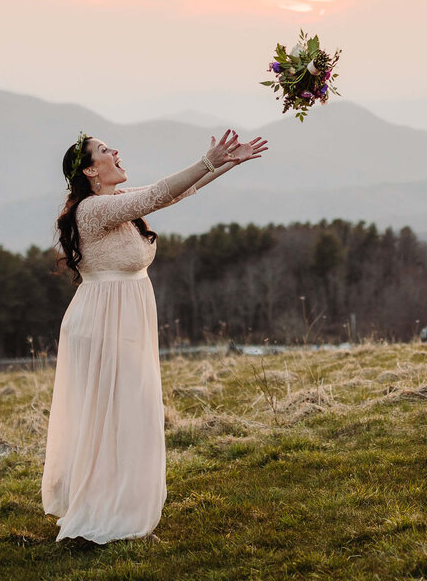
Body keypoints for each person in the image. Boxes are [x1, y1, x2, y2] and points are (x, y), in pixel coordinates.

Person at [42, 129, 268, 542]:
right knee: (122, 417)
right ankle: (111, 514)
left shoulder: (111, 205)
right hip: (102, 323)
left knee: (129, 415)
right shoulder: (93, 210)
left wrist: (226, 163)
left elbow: (174, 194)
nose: (115, 152)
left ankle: (117, 507)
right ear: (91, 170)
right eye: (105, 150)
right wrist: (207, 159)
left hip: (122, 317)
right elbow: (158, 195)